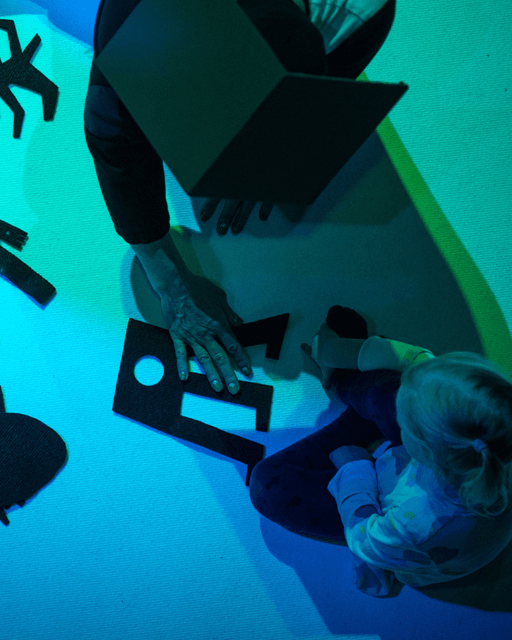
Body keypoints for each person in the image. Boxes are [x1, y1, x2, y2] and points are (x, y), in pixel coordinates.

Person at [84, 0, 512, 597]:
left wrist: (276, 144)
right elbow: (112, 136)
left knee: (272, 487)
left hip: (393, 500)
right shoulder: (136, 29)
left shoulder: (361, 12)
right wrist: (173, 278)